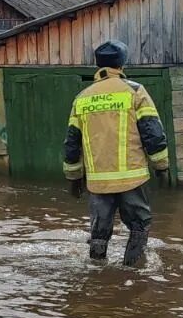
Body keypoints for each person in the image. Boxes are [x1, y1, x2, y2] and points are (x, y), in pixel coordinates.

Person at [63, 40, 171, 266]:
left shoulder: (82, 97)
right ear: (122, 64)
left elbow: (72, 143)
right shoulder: (135, 91)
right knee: (139, 227)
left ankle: (98, 276)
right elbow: (153, 132)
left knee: (99, 232)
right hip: (132, 178)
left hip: (98, 182)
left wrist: (74, 179)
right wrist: (162, 167)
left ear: (98, 65)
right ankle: (133, 275)